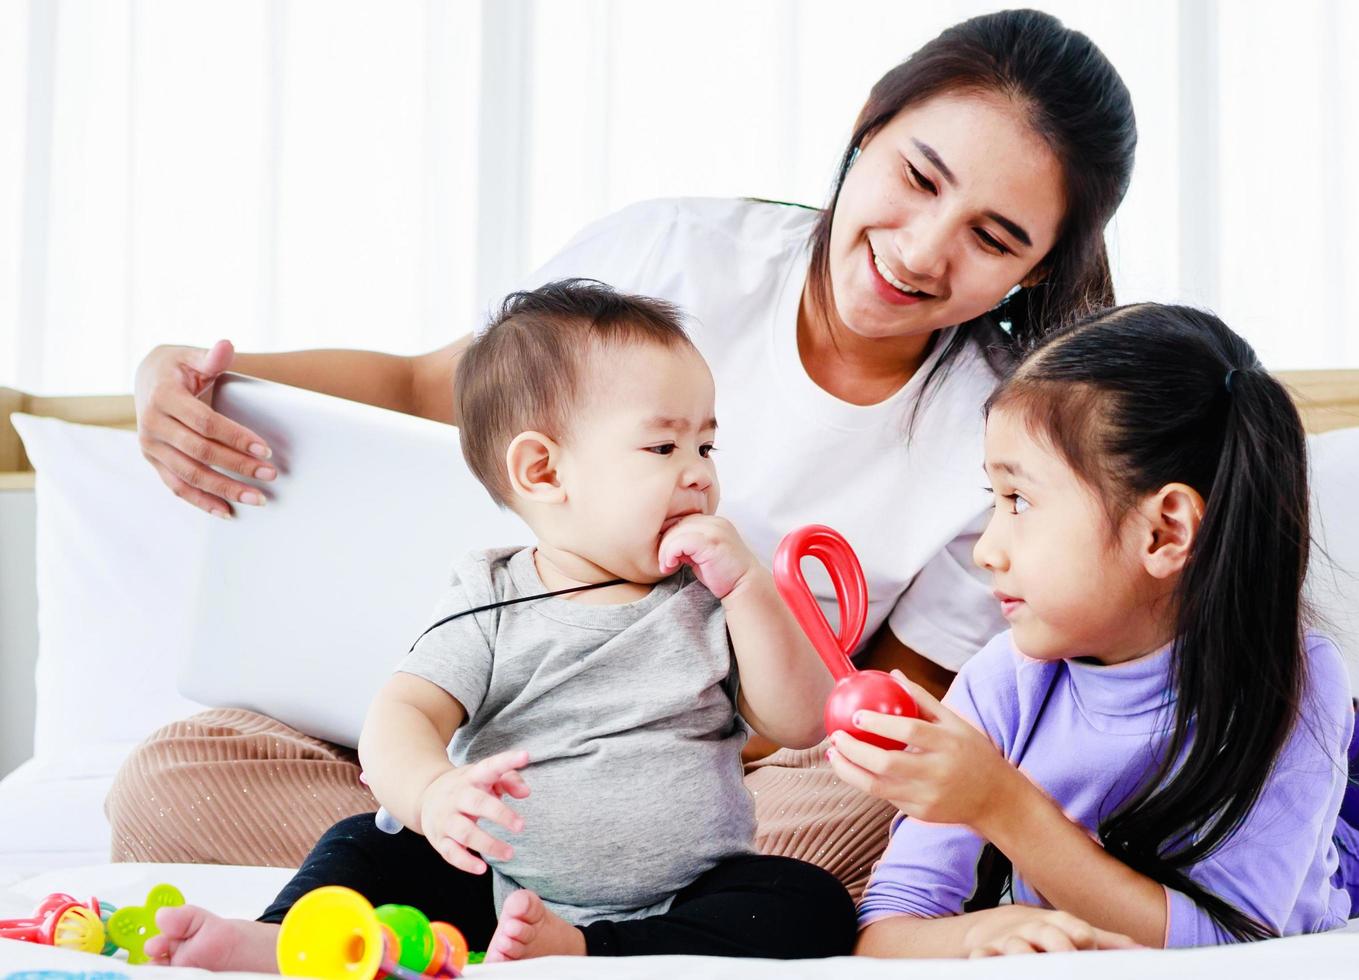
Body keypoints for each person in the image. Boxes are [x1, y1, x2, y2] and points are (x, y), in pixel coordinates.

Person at [108, 8, 1140, 897]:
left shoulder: (1000, 434)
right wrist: (180, 373)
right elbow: (433, 388)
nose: (921, 249)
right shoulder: (676, 254)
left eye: (994, 236)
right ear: (868, 128)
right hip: (490, 735)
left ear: (1036, 271)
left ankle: (472, 873)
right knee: (170, 782)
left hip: (704, 784)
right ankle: (565, 879)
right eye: (917, 176)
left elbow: (878, 720)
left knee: (860, 809)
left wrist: (648, 759)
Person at [146, 281, 854, 970]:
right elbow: (401, 714)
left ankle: (585, 953)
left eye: (706, 447)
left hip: (685, 891)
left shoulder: (708, 594)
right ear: (543, 470)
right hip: (497, 884)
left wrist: (750, 590)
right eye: (664, 449)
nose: (699, 474)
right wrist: (430, 794)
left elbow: (798, 723)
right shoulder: (490, 597)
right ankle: (284, 939)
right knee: (365, 843)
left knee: (809, 901)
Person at [829, 304, 1359, 957]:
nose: (987, 550)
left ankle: (1345, 743)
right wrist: (977, 930)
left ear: (1164, 531)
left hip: (1334, 852)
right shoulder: (1002, 684)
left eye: (1020, 501)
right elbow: (885, 932)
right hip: (1188, 792)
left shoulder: (1296, 677)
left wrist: (1001, 805)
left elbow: (1237, 938)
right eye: (993, 499)